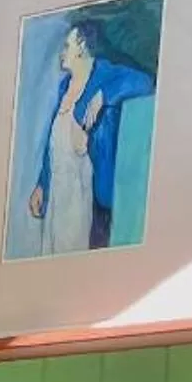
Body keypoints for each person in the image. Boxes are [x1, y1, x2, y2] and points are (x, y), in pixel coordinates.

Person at [27, 20, 154, 253]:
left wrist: (104, 95)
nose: (62, 52)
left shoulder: (104, 74)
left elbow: (144, 82)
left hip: (86, 193)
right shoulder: (64, 86)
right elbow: (52, 144)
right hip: (58, 193)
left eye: (67, 46)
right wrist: (42, 185)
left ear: (82, 46)